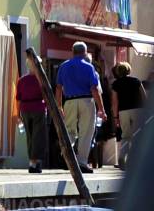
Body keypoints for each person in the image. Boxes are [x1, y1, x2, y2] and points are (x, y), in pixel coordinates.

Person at [55, 42, 105, 172]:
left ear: (72, 51)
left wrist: (59, 105)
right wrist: (101, 109)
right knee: (86, 132)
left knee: (70, 131)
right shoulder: (89, 67)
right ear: (85, 52)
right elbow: (94, 89)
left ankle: (66, 156)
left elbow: (59, 88)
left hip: (69, 101)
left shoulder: (63, 66)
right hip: (86, 101)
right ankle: (82, 162)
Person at [111, 60, 147, 169]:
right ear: (128, 70)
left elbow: (115, 101)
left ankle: (122, 157)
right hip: (138, 110)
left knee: (125, 136)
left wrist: (115, 116)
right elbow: (144, 96)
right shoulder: (136, 81)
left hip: (123, 111)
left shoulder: (116, 84)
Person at [16, 67, 48, 173]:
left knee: (30, 136)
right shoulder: (41, 79)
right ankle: (35, 163)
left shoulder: (22, 80)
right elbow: (46, 95)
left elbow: (18, 99)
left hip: (25, 109)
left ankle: (31, 162)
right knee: (38, 136)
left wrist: (18, 114)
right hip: (38, 108)